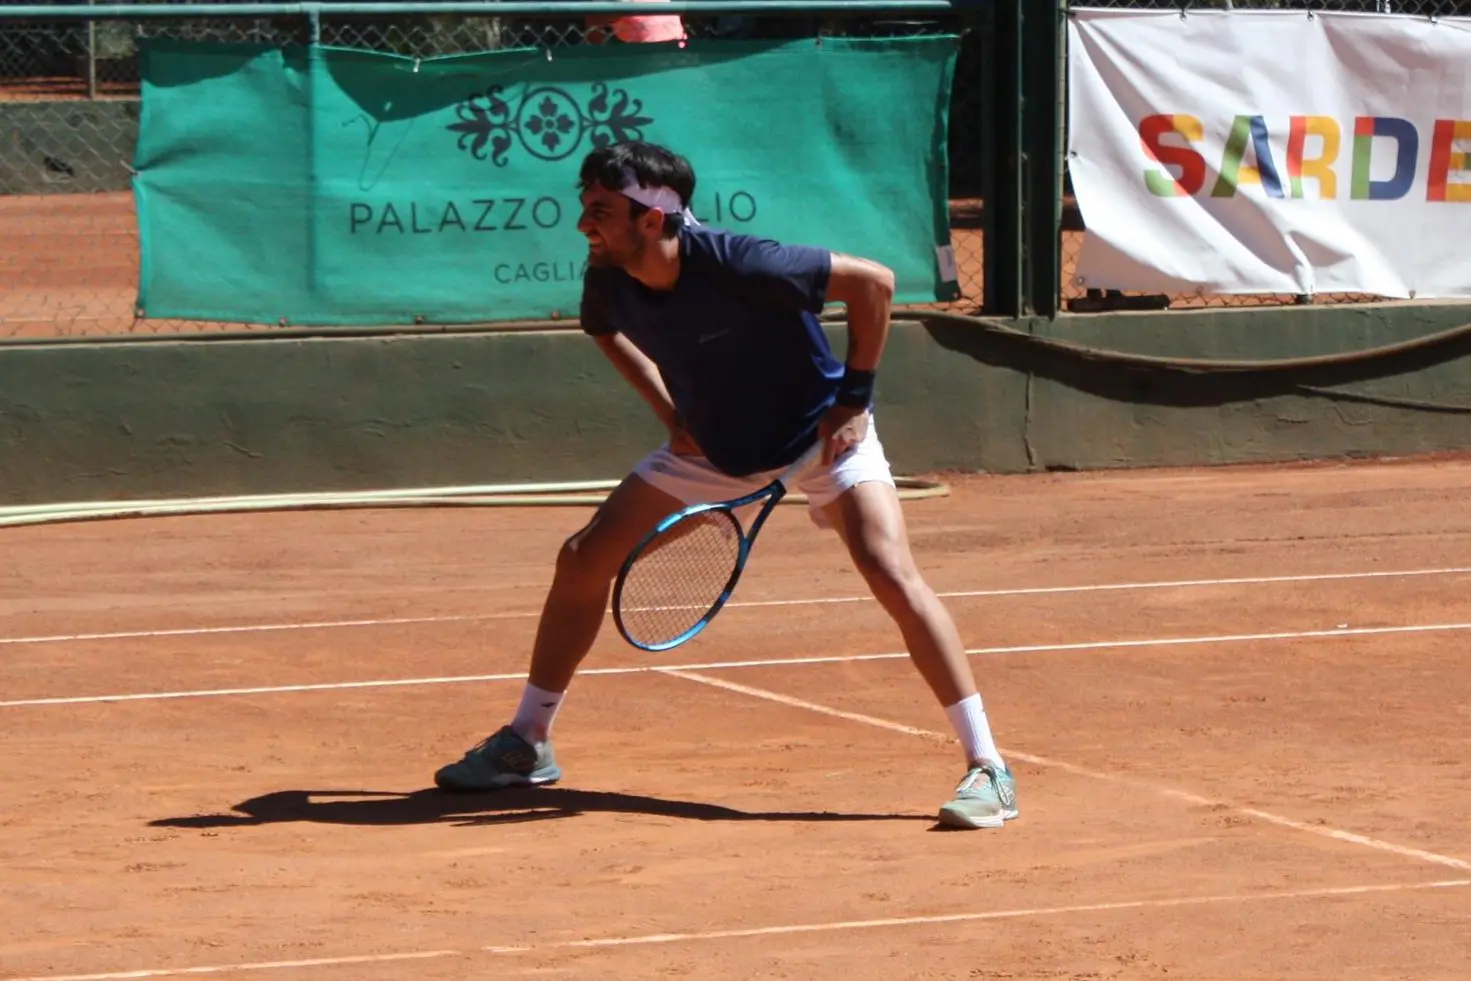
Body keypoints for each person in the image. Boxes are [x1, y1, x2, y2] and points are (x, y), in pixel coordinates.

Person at [434, 140, 1018, 830]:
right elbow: (601, 329)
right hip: (713, 448)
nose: (583, 224)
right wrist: (672, 417)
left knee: (889, 569)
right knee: (582, 558)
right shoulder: (608, 276)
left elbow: (875, 283)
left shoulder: (741, 262)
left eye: (600, 210)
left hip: (820, 439)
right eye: (584, 207)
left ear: (651, 218)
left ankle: (988, 766)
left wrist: (852, 400)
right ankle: (527, 741)